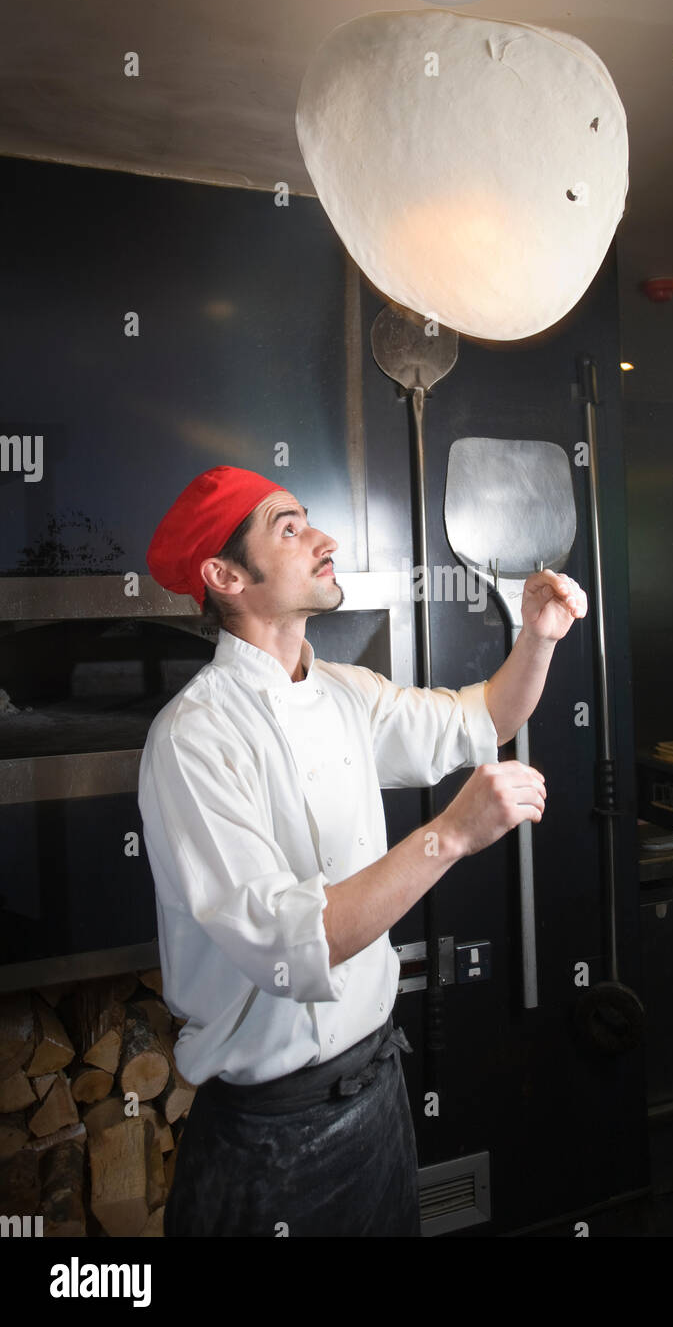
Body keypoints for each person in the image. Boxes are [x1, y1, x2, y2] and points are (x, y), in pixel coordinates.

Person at [139, 465, 587, 1237]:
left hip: (379, 1093)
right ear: (224, 574)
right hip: (272, 1136)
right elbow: (294, 941)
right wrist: (449, 836)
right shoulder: (193, 739)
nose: (325, 538)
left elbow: (482, 719)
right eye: (289, 528)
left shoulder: (345, 691)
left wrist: (536, 639)